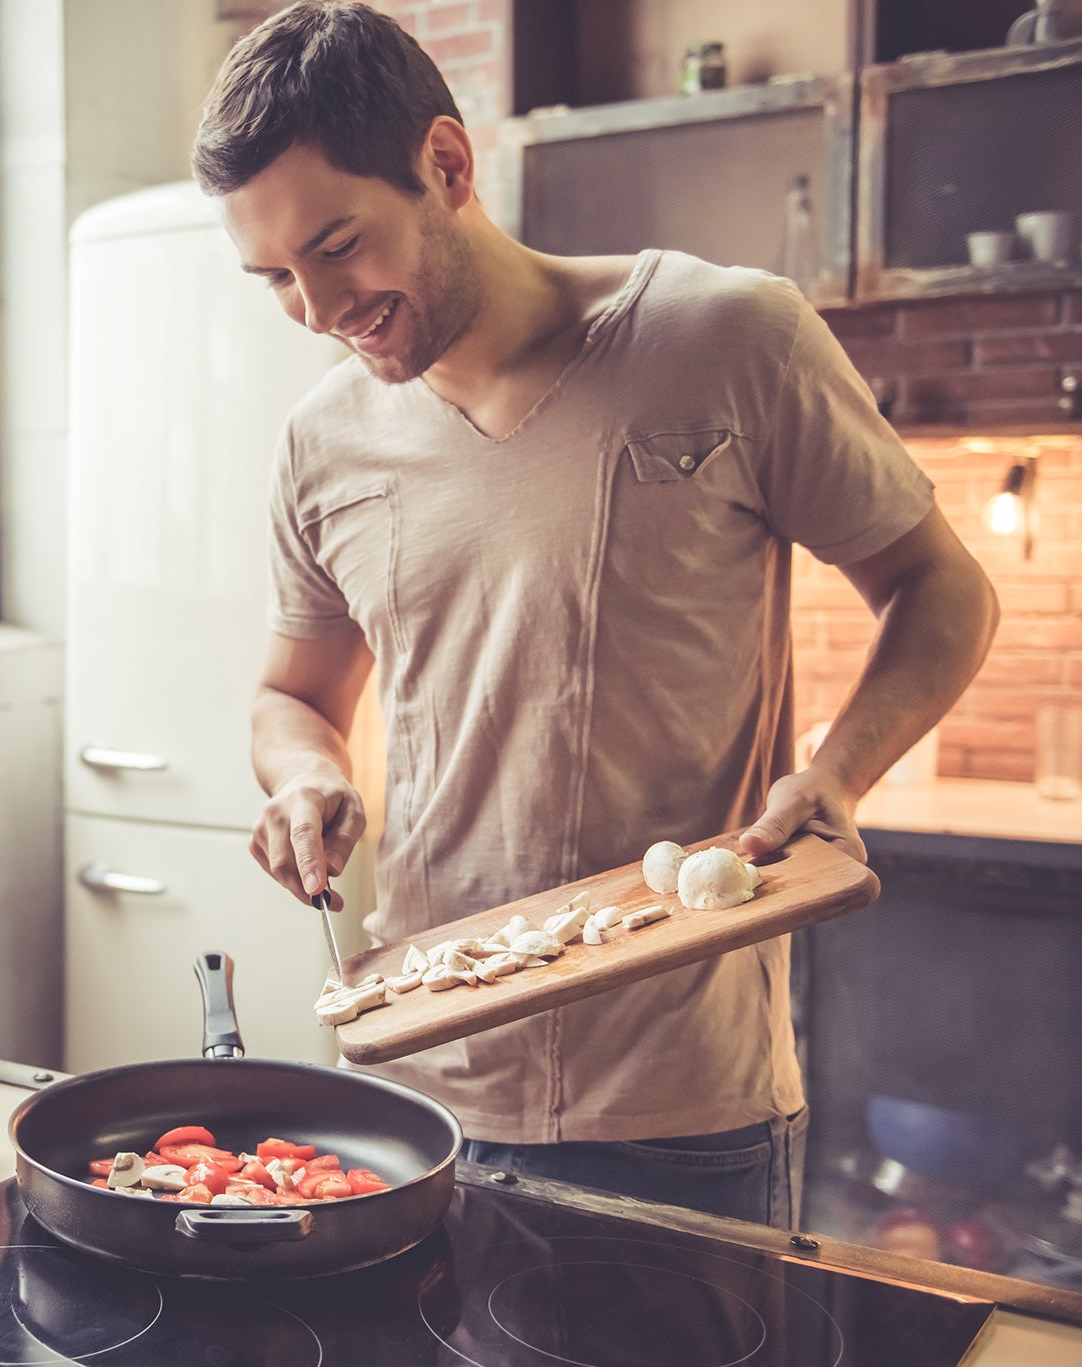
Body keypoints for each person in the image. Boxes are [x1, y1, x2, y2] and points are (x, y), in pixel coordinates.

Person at [192, 0, 999, 1226]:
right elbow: (289, 695)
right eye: (273, 280)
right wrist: (302, 774)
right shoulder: (323, 439)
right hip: (421, 1089)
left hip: (682, 1106)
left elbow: (942, 587)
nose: (315, 307)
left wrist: (836, 777)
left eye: (338, 244)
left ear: (445, 165)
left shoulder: (727, 336)